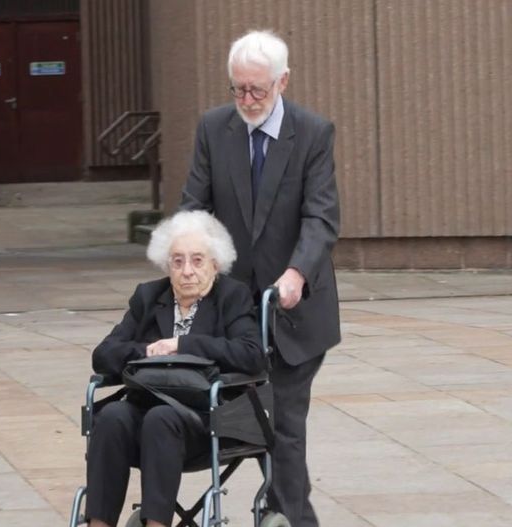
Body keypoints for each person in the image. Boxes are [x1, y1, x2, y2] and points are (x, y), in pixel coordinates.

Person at [180, 29, 341, 526]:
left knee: (285, 424)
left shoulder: (312, 133)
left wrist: (296, 272)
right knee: (243, 420)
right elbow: (195, 207)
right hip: (234, 311)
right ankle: (286, 511)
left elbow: (321, 217)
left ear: (282, 82)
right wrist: (186, 258)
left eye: (257, 90)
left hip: (295, 310)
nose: (247, 100)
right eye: (238, 89)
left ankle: (289, 515)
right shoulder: (214, 128)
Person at [86, 210, 266, 527]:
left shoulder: (232, 297)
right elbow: (104, 355)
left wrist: (182, 346)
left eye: (197, 260)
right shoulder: (148, 297)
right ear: (166, 265)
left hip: (208, 418)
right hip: (146, 412)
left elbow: (252, 355)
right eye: (177, 261)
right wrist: (147, 351)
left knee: (162, 418)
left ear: (215, 264)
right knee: (112, 416)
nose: (187, 271)